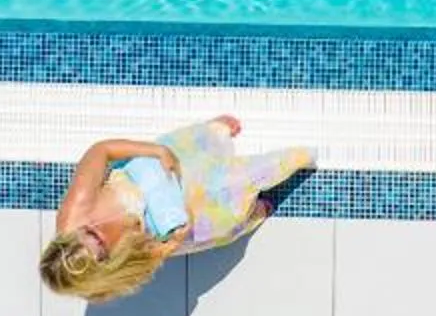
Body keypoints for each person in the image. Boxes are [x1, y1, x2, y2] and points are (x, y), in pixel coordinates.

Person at [37, 115, 312, 302]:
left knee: (202, 146)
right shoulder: (109, 275)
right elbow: (154, 257)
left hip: (160, 172)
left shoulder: (76, 211)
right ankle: (257, 210)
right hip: (176, 218)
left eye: (85, 234)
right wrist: (177, 237)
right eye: (99, 245)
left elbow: (102, 150)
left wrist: (155, 152)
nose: (94, 233)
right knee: (236, 203)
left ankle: (215, 134)